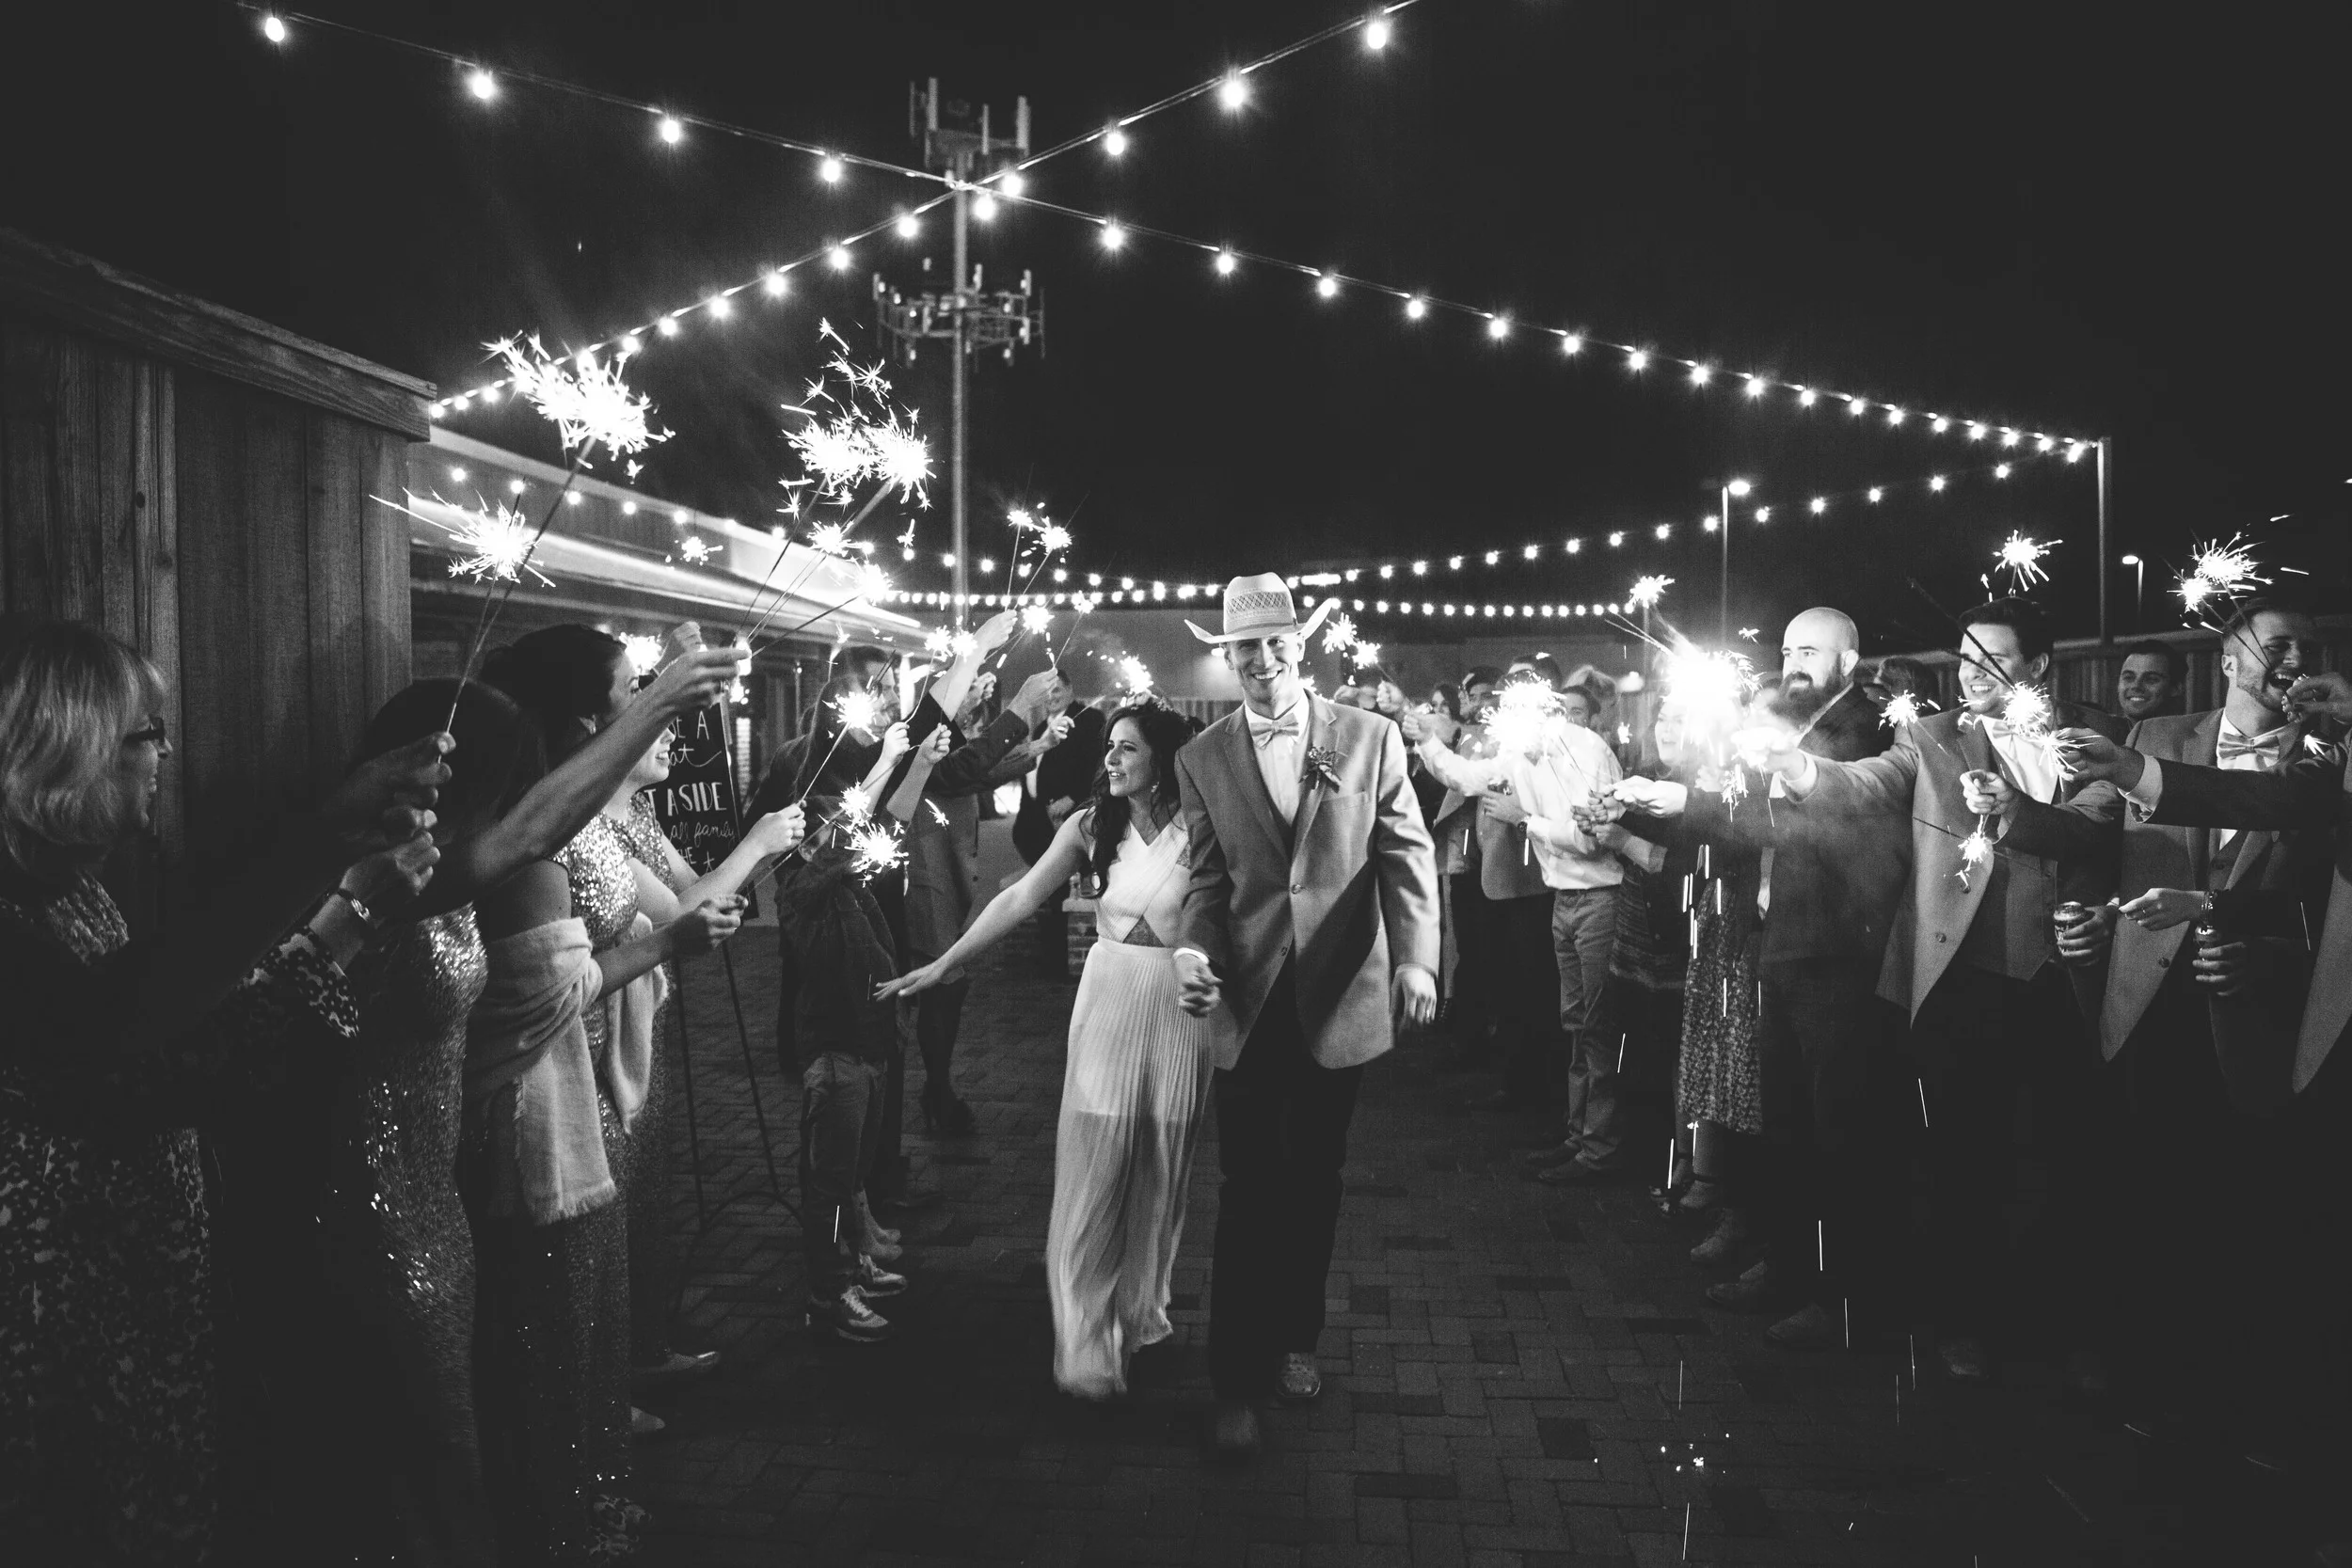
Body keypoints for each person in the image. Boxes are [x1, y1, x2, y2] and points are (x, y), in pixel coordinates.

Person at [0, 620, 444, 1562]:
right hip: (59, 1306)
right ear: (70, 746)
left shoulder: (73, 888)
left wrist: (337, 865)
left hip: (130, 1281)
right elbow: (152, 1071)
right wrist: (344, 910)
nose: (165, 751)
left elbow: (184, 1018)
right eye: (146, 731)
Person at [1733, 597, 2121, 1382]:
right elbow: (1868, 783)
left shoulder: (2093, 737)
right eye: (1966, 657)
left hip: (2064, 975)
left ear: (2039, 666)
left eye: (1994, 659)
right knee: (1963, 1159)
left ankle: (2057, 1327)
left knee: (2059, 1157)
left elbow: (2094, 824)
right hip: (1962, 976)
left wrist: (2021, 813)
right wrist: (1800, 768)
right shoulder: (1931, 735)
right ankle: (1962, 1322)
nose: (1973, 672)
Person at [471, 625, 749, 1560]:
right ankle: (552, 1522)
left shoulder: (580, 814)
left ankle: (586, 1495)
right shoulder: (528, 828)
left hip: (591, 1076)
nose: (645, 704)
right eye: (633, 689)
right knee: (548, 1321)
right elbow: (550, 987)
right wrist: (667, 942)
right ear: (589, 718)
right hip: (541, 1097)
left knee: (590, 1314)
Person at [883, 700, 1233, 1397]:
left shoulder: (1204, 827)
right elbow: (1018, 899)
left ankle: (1141, 1311)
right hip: (1109, 998)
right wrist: (947, 960)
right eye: (1110, 746)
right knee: (1096, 1163)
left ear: (1163, 759)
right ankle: (1083, 1338)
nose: (1110, 758)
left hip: (1177, 1010)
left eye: (1127, 748)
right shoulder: (1090, 826)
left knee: (1161, 1171)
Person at [1167, 574, 1440, 1462]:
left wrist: (1418, 957)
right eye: (1245, 646)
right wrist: (1195, 952)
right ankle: (1233, 1381)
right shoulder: (1201, 757)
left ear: (1300, 643)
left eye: (1275, 641)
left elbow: (1405, 852)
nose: (1262, 658)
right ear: (1228, 654)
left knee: (1316, 1179)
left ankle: (1296, 1340)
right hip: (1246, 1001)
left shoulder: (1369, 736)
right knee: (1248, 1187)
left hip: (1339, 996)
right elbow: (1209, 883)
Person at [602, 704, 807, 1389]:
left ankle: (643, 1344)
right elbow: (679, 915)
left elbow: (693, 889)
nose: (671, 735)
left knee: (646, 1191)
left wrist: (747, 868)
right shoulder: (594, 824)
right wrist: (755, 842)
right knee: (610, 1200)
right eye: (655, 721)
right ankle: (610, 1374)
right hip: (601, 1026)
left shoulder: (640, 812)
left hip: (647, 1016)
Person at [773, 681, 920, 1341]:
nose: (841, 832)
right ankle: (829, 1291)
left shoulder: (841, 880)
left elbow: (875, 826)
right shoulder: (803, 886)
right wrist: (884, 761)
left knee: (855, 1169)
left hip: (867, 1040)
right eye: (826, 827)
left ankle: (853, 1262)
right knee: (829, 1180)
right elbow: (845, 835)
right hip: (835, 1048)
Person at [895, 659, 1073, 1137]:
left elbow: (978, 773)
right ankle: (935, 1092)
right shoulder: (919, 737)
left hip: (947, 870)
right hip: (924, 871)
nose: (975, 695)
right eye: (965, 689)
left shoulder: (947, 733)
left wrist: (1037, 747)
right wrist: (1022, 707)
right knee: (944, 984)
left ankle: (935, 1087)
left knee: (945, 984)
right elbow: (963, 771)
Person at [1405, 674, 1556, 1113]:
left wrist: (1520, 815)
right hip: (1503, 884)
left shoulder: (1558, 753)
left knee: (1537, 994)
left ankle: (1541, 1095)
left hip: (1539, 888)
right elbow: (1467, 778)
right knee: (1512, 989)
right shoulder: (1510, 753)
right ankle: (1518, 1083)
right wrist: (1427, 743)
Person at [2114, 639, 2186, 723]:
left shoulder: (2190, 731)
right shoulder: (2103, 729)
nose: (2136, 686)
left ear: (2176, 688)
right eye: (2129, 678)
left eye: (2151, 679)